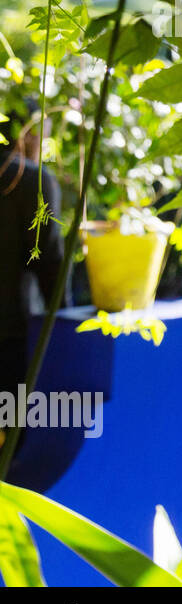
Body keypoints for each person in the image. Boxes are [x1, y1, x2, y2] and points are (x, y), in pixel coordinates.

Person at [0, 116, 67, 431]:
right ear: (26, 135)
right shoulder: (32, 181)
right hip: (13, 341)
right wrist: (66, 330)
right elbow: (51, 264)